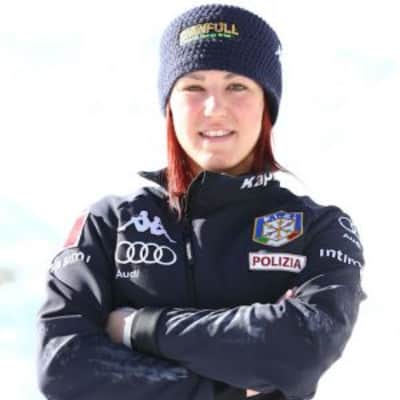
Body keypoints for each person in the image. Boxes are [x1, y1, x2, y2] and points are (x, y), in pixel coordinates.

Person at [36, 4, 366, 400]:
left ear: (266, 104)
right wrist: (226, 388)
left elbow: (301, 350)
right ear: (169, 105)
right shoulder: (109, 224)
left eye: (237, 86)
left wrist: (137, 328)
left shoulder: (319, 227)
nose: (214, 108)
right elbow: (63, 366)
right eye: (193, 88)